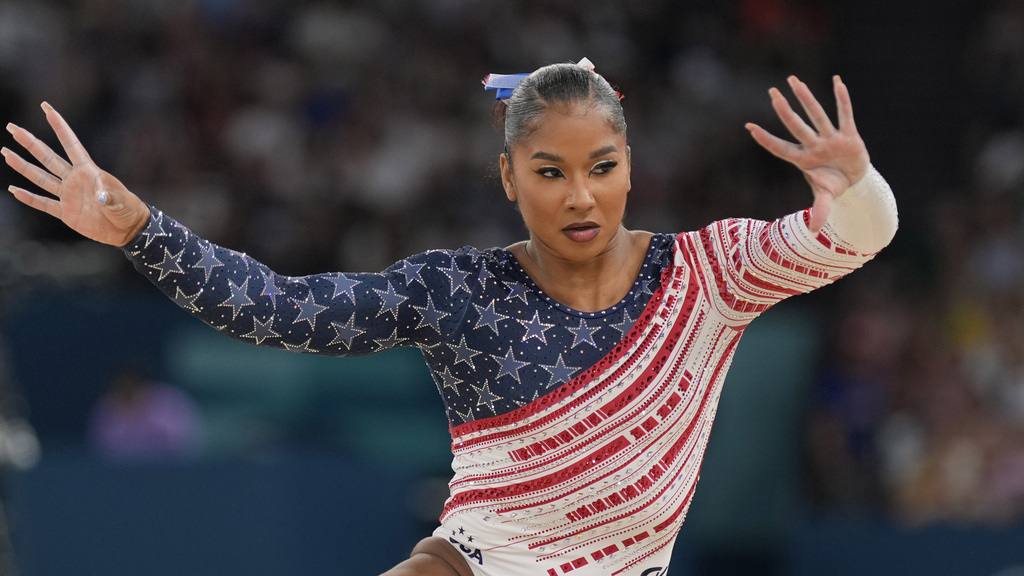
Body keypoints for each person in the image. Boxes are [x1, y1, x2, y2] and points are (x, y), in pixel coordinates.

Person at [3, 59, 896, 576]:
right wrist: (139, 228)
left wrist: (855, 184)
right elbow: (277, 308)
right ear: (510, 179)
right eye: (550, 171)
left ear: (632, 165)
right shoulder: (456, 291)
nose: (581, 196)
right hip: (472, 562)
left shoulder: (705, 275)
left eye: (603, 165)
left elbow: (855, 239)